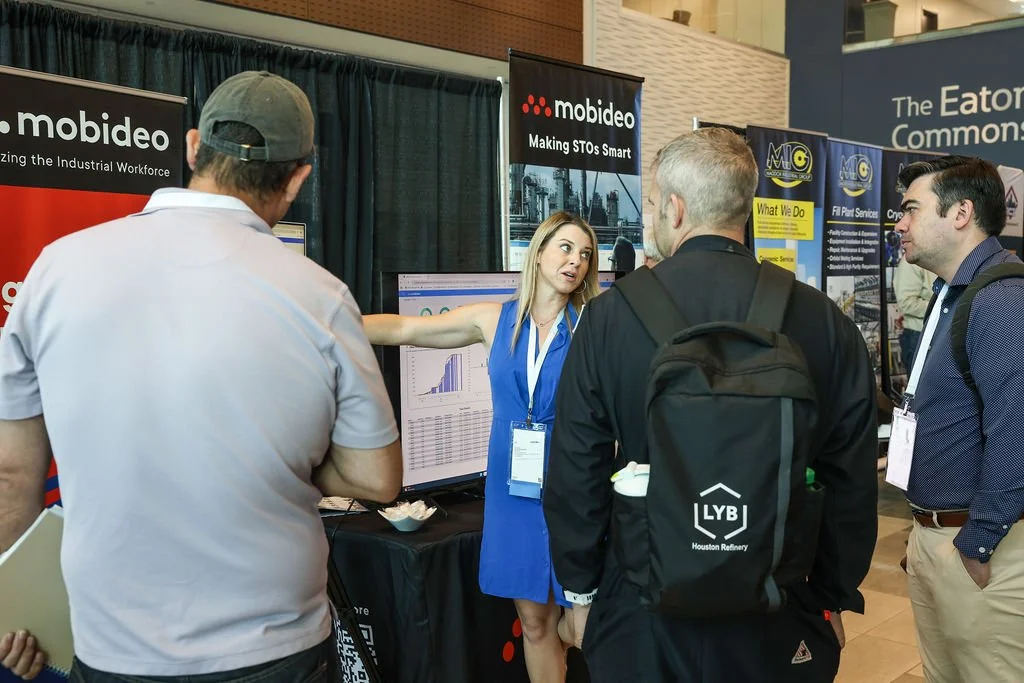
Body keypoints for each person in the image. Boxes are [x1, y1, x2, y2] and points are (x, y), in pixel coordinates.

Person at [0, 71, 402, 682]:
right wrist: (283, 457)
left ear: (193, 147)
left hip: (111, 650)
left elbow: (12, 477)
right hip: (274, 649)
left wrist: (13, 609)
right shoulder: (321, 296)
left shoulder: (54, 269)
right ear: (299, 178)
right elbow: (377, 478)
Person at [544, 127, 878, 682]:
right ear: (744, 207)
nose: (653, 215)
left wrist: (580, 591)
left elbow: (577, 465)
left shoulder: (609, 318)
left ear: (675, 209)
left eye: (654, 204)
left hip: (643, 598)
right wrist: (833, 594)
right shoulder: (822, 319)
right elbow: (849, 474)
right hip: (778, 596)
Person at [363, 211, 599, 683]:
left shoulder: (593, 324)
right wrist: (323, 320)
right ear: (539, 252)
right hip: (515, 492)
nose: (576, 261)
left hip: (575, 490)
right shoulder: (495, 320)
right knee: (535, 625)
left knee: (583, 629)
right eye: (566, 248)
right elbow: (405, 330)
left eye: (586, 254)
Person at [894, 155, 1024, 682]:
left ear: (961, 213)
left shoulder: (1001, 301)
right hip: (938, 535)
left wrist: (976, 541)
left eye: (911, 209)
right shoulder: (955, 292)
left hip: (981, 547)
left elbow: (1017, 432)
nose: (899, 224)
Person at [892, 254, 936, 370]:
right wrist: (942, 307)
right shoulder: (911, 261)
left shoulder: (942, 257)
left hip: (940, 334)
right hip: (919, 336)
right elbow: (907, 303)